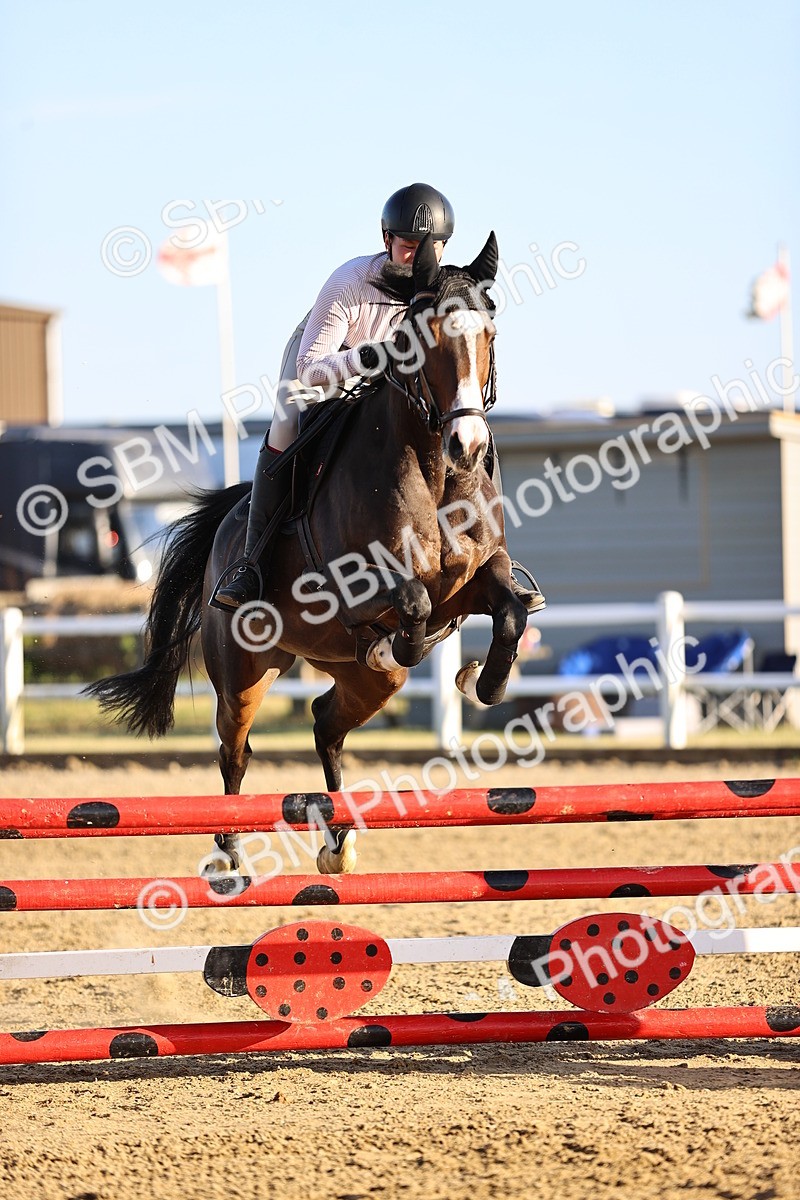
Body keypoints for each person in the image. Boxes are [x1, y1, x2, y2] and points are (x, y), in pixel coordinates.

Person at [210, 183, 544, 615]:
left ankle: (500, 558)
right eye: (407, 245)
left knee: (471, 427)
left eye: (430, 246)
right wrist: (367, 357)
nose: (417, 255)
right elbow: (310, 369)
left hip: (390, 385)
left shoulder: (445, 289)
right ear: (387, 239)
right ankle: (252, 563)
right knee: (286, 425)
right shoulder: (351, 282)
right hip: (325, 363)